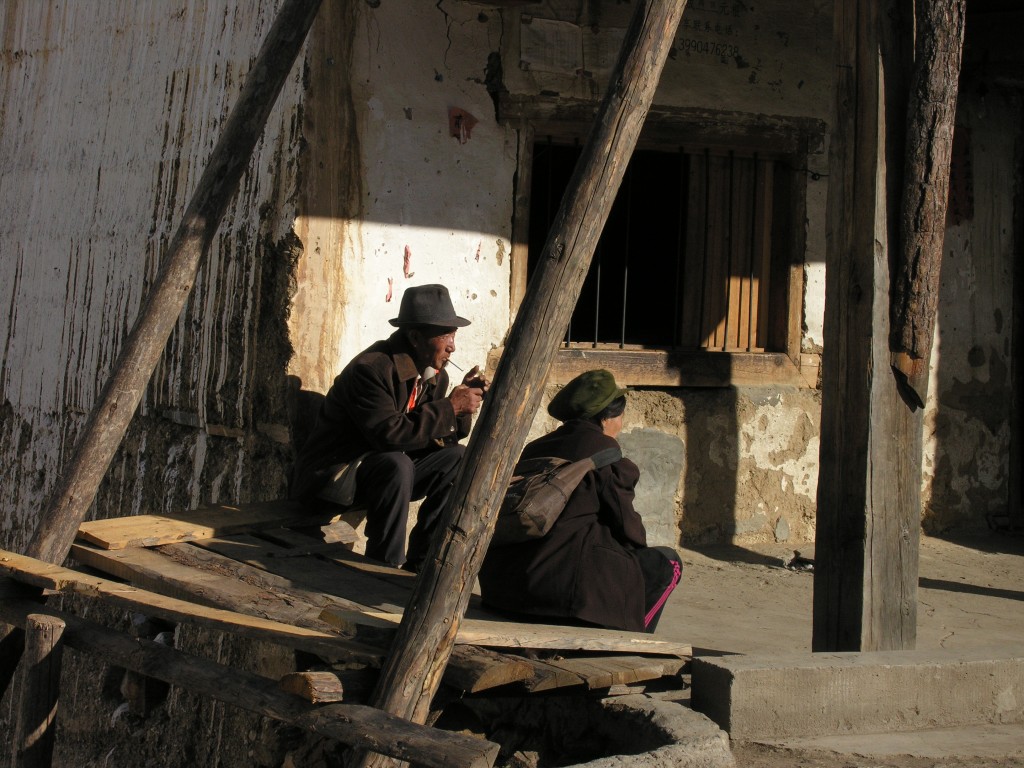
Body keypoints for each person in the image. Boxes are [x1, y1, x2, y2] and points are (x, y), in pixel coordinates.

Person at [291, 284, 488, 572]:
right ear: (415, 337)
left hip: (386, 477)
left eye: (453, 335)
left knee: (456, 457)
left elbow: (433, 437)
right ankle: (384, 565)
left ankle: (423, 563)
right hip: (338, 476)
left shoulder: (435, 376)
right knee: (396, 463)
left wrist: (458, 406)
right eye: (444, 335)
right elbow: (389, 435)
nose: (452, 346)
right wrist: (449, 407)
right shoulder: (370, 369)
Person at [479, 369, 681, 633]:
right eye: (620, 416)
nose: (621, 424)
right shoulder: (606, 455)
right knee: (667, 563)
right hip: (560, 597)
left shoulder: (534, 448)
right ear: (607, 417)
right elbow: (628, 529)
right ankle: (631, 641)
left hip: (501, 590)